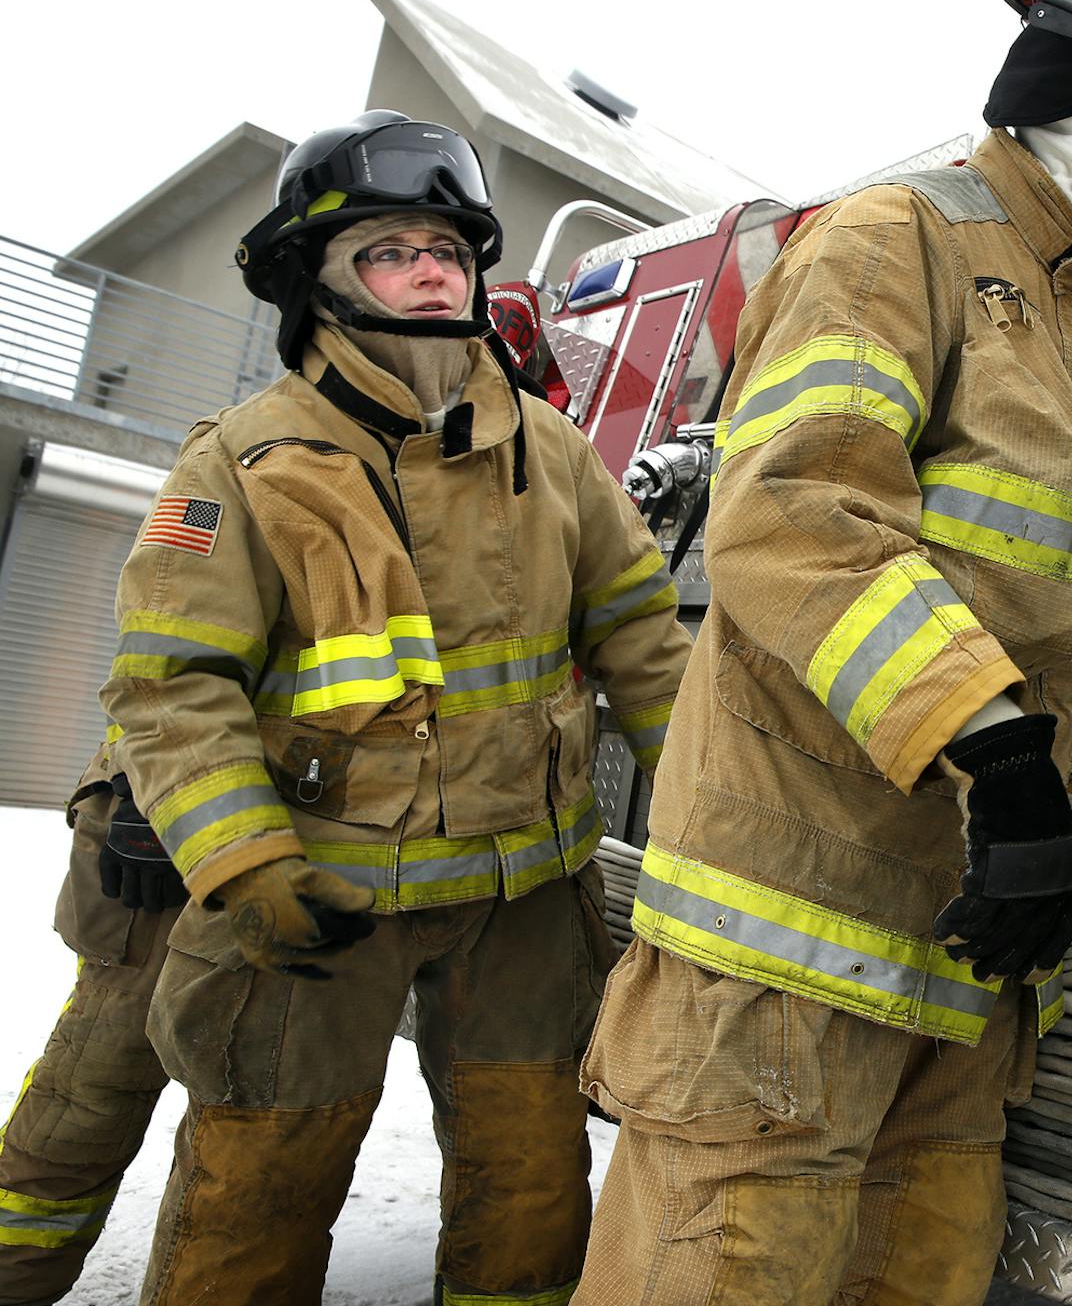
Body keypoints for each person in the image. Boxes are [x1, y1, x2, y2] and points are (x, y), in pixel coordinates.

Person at [574, 0, 1072, 1304]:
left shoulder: (1069, 335)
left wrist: (1062, 818)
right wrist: (1001, 760)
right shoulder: (893, 237)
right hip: (782, 955)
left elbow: (1038, 630)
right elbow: (801, 519)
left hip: (957, 971)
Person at [104, 110, 692, 1304]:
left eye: (450, 248)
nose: (433, 269)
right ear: (316, 284)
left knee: (531, 1193)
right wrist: (246, 861)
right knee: (256, 1186)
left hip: (523, 901)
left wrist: (710, 810)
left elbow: (645, 642)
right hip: (314, 901)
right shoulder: (237, 463)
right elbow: (174, 688)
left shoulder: (551, 450)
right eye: (390, 250)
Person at [0, 750, 184, 1306]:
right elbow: (155, 681)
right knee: (88, 1095)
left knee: (265, 1115)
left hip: (337, 845)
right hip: (160, 837)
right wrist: (151, 785)